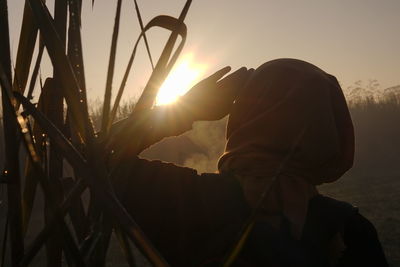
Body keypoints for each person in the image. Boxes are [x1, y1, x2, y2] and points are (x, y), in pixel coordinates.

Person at [110, 58, 388, 266]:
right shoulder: (352, 231)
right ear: (329, 129)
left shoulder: (186, 200)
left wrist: (184, 110)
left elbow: (88, 156)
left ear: (245, 116)